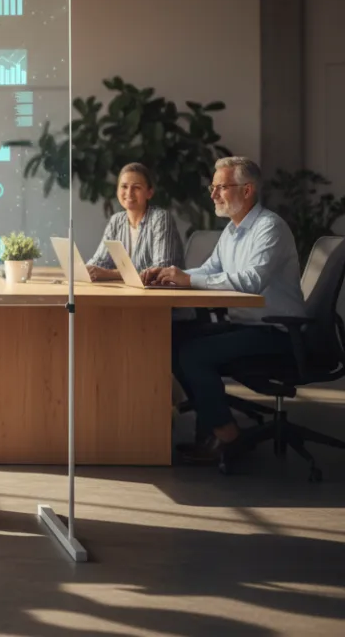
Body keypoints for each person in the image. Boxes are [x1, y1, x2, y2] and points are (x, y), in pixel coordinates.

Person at [142, 156, 305, 464]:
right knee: (173, 340)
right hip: (247, 324)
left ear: (247, 190)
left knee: (195, 354)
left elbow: (251, 281)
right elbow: (209, 270)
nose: (213, 195)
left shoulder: (269, 228)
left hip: (278, 331)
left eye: (221, 187)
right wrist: (171, 274)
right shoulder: (232, 231)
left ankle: (227, 436)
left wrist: (188, 279)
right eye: (212, 187)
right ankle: (212, 434)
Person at [86, 163, 184, 280]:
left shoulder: (161, 219)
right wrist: (87, 270)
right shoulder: (116, 221)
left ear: (149, 193)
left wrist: (110, 274)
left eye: (136, 187)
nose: (129, 193)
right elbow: (99, 263)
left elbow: (161, 270)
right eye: (124, 186)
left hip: (161, 294)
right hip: (127, 292)